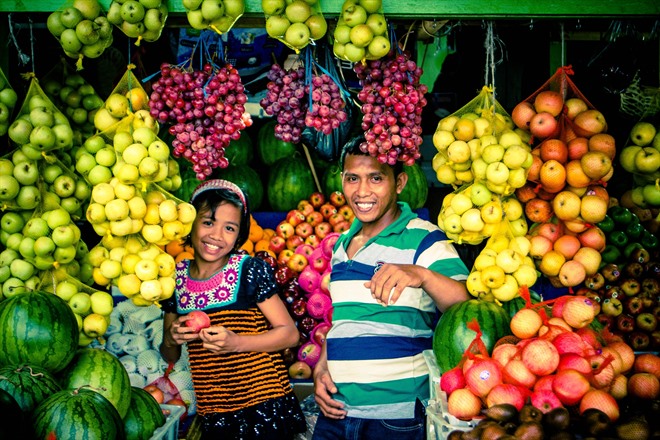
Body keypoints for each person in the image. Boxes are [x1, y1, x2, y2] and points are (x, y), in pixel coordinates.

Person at [312, 137, 470, 440]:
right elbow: (343, 323)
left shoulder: (424, 238)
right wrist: (322, 368)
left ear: (399, 183)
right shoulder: (341, 246)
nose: (362, 191)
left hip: (395, 418)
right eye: (352, 179)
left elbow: (463, 305)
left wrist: (422, 275)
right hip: (337, 412)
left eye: (375, 178)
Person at [159, 179, 306, 440]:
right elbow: (170, 354)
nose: (216, 235)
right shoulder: (174, 279)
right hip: (217, 411)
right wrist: (171, 337)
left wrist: (237, 342)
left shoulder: (249, 270)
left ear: (239, 235)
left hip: (264, 403)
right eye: (208, 222)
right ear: (189, 224)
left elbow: (289, 334)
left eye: (229, 228)